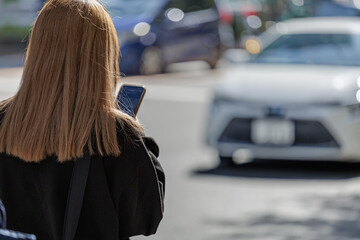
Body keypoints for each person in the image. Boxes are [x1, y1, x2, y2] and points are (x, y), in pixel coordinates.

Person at [0, 0, 165, 239]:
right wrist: (138, 136)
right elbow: (147, 219)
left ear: (37, 48)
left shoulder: (4, 121)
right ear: (103, 56)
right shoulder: (115, 135)